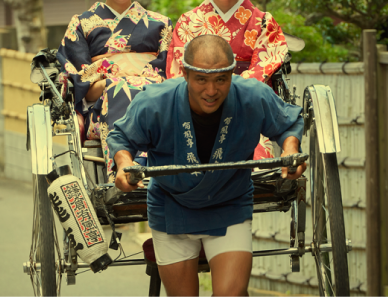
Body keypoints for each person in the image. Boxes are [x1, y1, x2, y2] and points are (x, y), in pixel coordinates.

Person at [108, 35, 305, 296]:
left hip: (229, 202)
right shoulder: (156, 101)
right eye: (201, 79)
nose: (211, 91)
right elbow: (122, 137)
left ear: (232, 73)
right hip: (171, 206)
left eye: (221, 79)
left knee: (231, 294)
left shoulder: (252, 95)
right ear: (186, 73)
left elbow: (288, 123)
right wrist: (124, 165)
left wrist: (291, 150)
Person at [57, 0, 172, 175]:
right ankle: (127, 168)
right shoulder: (81, 24)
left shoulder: (161, 23)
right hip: (102, 109)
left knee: (148, 94)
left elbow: (168, 75)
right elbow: (83, 85)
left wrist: (135, 81)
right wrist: (115, 80)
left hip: (153, 100)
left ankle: (133, 169)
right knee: (122, 89)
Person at [166, 0, 289, 160]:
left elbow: (263, 68)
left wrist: (228, 92)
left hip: (246, 106)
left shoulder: (262, 22)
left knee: (256, 152)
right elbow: (178, 73)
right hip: (199, 107)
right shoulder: (188, 22)